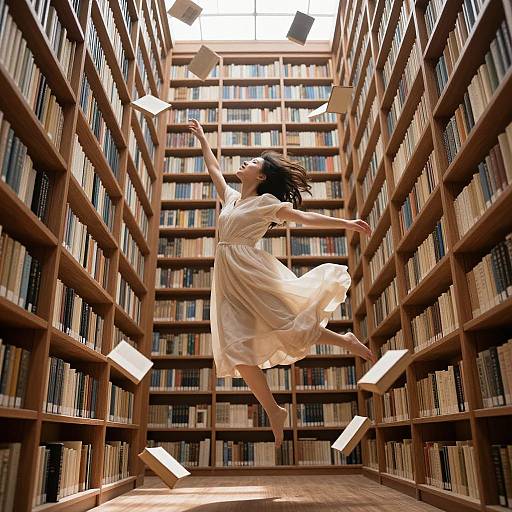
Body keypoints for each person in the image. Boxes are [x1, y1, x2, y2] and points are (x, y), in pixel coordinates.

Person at [188, 119, 376, 448]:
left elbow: (305, 218)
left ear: (261, 176)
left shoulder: (267, 204)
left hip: (250, 270)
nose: (246, 162)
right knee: (234, 346)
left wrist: (345, 221)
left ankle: (344, 340)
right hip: (227, 276)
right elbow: (214, 168)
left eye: (254, 162)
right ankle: (274, 409)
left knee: (286, 323)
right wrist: (203, 139)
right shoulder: (231, 198)